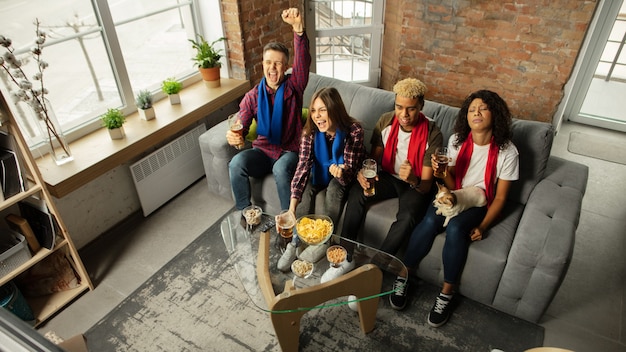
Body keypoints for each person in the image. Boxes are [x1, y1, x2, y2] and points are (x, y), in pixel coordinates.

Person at [390, 90, 520, 328]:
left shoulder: (507, 152)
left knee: (456, 227)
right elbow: (451, 185)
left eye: (483, 108)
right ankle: (403, 276)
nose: (476, 113)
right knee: (429, 221)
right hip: (455, 193)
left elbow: (500, 198)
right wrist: (443, 175)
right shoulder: (457, 141)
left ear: (495, 114)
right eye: (471, 110)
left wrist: (482, 226)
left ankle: (446, 293)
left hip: (481, 200)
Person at [321, 78, 443, 283]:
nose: (404, 115)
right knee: (356, 193)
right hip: (387, 176)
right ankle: (346, 257)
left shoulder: (433, 132)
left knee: (410, 216)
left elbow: (426, 185)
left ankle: (374, 269)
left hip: (415, 184)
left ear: (421, 106)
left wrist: (413, 178)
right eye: (399, 107)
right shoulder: (386, 121)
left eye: (411, 109)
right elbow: (373, 162)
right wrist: (363, 173)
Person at [227, 7, 311, 212]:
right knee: (235, 164)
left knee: (281, 169)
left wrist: (298, 30)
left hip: (289, 151)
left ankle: (287, 222)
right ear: (262, 64)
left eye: (278, 63)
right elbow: (242, 123)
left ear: (285, 67)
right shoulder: (252, 97)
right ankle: (245, 213)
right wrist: (234, 136)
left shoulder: (294, 86)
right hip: (262, 152)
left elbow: (302, 62)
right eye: (268, 62)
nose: (273, 68)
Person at [277, 87, 366, 271]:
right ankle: (295, 241)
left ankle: (324, 241)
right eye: (314, 111)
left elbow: (350, 168)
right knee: (306, 185)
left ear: (334, 108)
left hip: (345, 177)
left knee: (334, 187)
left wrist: (343, 171)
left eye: (322, 110)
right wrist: (291, 210)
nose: (317, 116)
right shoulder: (309, 132)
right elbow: (302, 168)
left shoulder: (354, 130)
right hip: (319, 173)